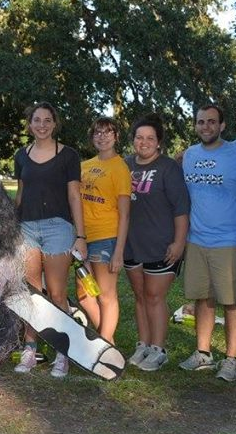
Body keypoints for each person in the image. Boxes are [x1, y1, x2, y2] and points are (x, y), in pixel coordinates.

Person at [12, 102, 88, 378]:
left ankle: (62, 352)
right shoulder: (21, 156)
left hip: (59, 229)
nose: (41, 125)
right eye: (36, 120)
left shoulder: (68, 156)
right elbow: (20, 196)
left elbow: (74, 197)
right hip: (27, 229)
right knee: (33, 293)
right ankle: (30, 350)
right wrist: (9, 225)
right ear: (29, 124)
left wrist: (80, 236)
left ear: (55, 123)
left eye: (47, 120)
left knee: (56, 293)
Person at [179, 104, 236, 381]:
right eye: (201, 122)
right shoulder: (189, 155)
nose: (206, 126)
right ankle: (203, 353)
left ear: (222, 126)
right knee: (202, 298)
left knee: (231, 302)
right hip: (196, 239)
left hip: (229, 239)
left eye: (211, 122)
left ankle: (231, 359)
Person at [124, 114, 190, 371]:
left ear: (159, 142)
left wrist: (179, 242)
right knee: (139, 296)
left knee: (154, 296)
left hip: (161, 244)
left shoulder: (168, 168)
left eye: (150, 138)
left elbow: (181, 210)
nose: (144, 142)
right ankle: (143, 344)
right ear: (133, 141)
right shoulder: (125, 165)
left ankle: (158, 349)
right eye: (139, 137)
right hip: (131, 243)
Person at [78, 117, 131, 344]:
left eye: (108, 132)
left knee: (106, 295)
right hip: (83, 238)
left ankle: (105, 342)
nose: (102, 136)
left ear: (116, 137)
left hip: (106, 239)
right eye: (98, 132)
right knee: (84, 294)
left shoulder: (120, 168)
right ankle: (107, 341)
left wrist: (119, 252)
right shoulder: (85, 165)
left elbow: (125, 213)